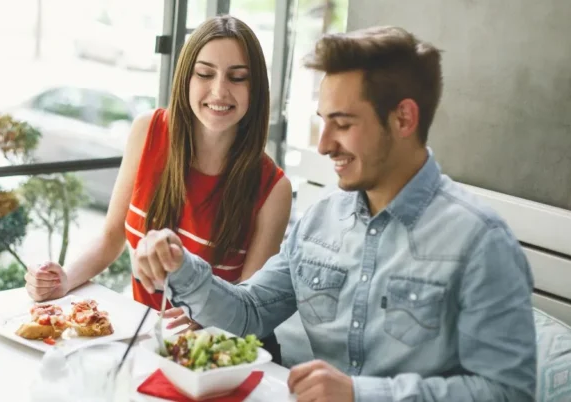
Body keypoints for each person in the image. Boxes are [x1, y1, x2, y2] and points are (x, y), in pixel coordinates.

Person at [133, 26, 537, 402]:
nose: (324, 145)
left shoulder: (480, 242)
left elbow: (507, 391)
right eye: (323, 123)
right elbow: (251, 313)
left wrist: (360, 394)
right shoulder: (319, 221)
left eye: (342, 124)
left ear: (403, 119)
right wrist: (181, 265)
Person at [23, 15, 293, 363]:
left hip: (211, 359)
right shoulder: (148, 130)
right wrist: (64, 279)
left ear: (255, 90)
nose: (219, 91)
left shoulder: (274, 189)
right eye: (205, 73)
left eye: (237, 77)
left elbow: (246, 310)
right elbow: (110, 237)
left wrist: (199, 322)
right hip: (143, 342)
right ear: (185, 78)